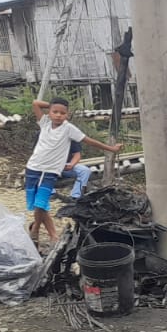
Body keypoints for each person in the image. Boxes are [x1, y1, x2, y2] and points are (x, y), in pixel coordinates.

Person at [24, 97, 121, 247]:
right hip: (33, 168)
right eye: (55, 112)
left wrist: (111, 149)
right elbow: (35, 103)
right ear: (49, 113)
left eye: (62, 113)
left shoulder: (69, 129)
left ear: (67, 115)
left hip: (50, 172)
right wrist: (52, 104)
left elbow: (88, 140)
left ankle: (48, 234)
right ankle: (37, 230)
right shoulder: (44, 123)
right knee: (38, 204)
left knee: (41, 203)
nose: (58, 115)